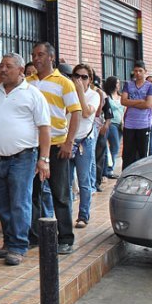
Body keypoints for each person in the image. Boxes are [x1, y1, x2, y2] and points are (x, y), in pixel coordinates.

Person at [0, 53, 50, 266]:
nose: (2, 69)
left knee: (19, 202)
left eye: (8, 66)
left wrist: (44, 159)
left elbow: (44, 128)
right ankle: (9, 242)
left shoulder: (33, 94)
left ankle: (19, 246)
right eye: (1, 65)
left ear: (20, 70)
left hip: (22, 158)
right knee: (2, 204)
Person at [27, 42, 81, 255]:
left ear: (51, 57)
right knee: (32, 194)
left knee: (60, 194)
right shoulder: (28, 83)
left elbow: (75, 113)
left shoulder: (64, 83)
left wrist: (69, 142)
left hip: (58, 147)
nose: (36, 59)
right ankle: (35, 236)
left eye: (40, 55)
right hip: (32, 147)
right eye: (33, 55)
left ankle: (65, 238)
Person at [69, 64, 100, 229]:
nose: (80, 80)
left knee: (84, 180)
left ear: (90, 80)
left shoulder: (94, 95)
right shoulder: (67, 92)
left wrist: (80, 91)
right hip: (67, 140)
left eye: (84, 77)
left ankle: (83, 216)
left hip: (84, 142)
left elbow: (87, 113)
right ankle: (66, 215)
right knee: (65, 181)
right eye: (77, 76)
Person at [120, 61, 152, 170]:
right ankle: (126, 175)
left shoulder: (150, 86)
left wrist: (131, 101)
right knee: (127, 153)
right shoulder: (128, 84)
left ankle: (142, 175)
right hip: (129, 124)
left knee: (143, 153)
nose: (138, 73)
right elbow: (123, 101)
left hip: (143, 124)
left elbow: (148, 104)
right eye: (136, 71)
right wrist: (140, 101)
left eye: (140, 71)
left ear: (145, 72)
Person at [104, 76, 123, 178]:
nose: (118, 85)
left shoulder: (120, 96)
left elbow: (124, 110)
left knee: (116, 147)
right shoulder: (107, 97)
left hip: (120, 124)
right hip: (111, 124)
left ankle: (109, 167)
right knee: (114, 146)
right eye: (117, 83)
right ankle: (109, 169)